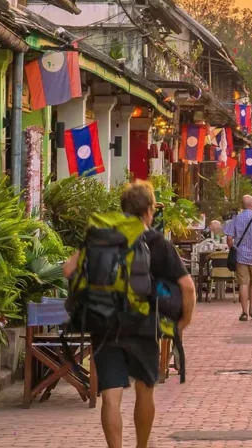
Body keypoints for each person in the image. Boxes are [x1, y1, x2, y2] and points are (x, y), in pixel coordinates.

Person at [64, 182, 195, 448]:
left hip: (104, 322)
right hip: (143, 325)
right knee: (145, 389)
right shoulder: (156, 242)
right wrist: (182, 323)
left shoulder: (102, 236)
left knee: (111, 395)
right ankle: (141, 446)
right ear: (149, 210)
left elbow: (68, 269)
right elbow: (187, 287)